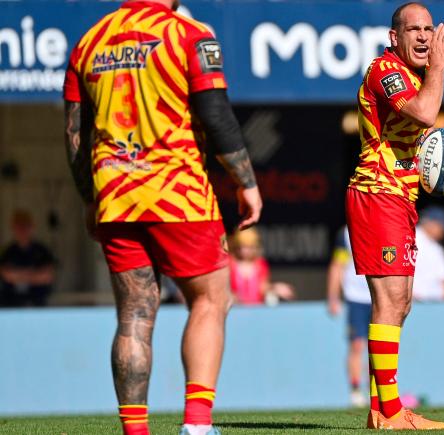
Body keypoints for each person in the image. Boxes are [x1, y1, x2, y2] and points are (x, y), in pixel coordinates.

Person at [62, 0, 262, 433]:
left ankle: (135, 431)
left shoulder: (88, 42)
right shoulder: (190, 35)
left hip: (115, 195)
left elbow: (75, 134)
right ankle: (197, 425)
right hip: (179, 195)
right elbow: (216, 114)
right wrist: (245, 183)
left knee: (134, 315)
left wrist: (88, 199)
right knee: (210, 301)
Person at [346, 2, 444, 430]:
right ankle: (394, 411)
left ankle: (382, 410)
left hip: (398, 198)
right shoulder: (385, 70)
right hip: (376, 194)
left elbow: (417, 143)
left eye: (428, 29)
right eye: (412, 29)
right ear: (393, 38)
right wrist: (439, 68)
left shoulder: (417, 78)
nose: (422, 36)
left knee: (399, 304)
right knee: (390, 301)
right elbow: (424, 113)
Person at [326, 226, 372, 407]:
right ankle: (356, 391)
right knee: (357, 344)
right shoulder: (346, 233)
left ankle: (378, 390)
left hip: (380, 296)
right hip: (356, 298)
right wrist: (333, 296)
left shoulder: (386, 222)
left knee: (379, 345)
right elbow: (338, 265)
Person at [0, 210, 55, 307]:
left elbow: (47, 276)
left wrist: (18, 276)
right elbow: (6, 275)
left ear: (32, 227)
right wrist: (33, 274)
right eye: (19, 227)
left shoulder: (41, 251)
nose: (22, 230)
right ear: (13, 228)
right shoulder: (8, 252)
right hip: (11, 303)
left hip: (37, 302)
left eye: (25, 226)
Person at [228, 228, 294, 305]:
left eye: (248, 247)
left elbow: (262, 287)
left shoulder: (260, 264)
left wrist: (275, 287)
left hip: (257, 309)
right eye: (241, 246)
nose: (244, 250)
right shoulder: (230, 263)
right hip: (236, 309)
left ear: (254, 247)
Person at [413, 207, 444, 302]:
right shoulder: (408, 238)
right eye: (442, 226)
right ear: (430, 223)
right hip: (411, 303)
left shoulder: (437, 248)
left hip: (436, 304)